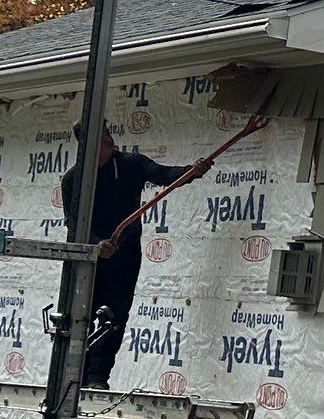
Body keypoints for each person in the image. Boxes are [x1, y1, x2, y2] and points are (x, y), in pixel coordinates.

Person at [58, 125, 211, 388]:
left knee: (113, 316)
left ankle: (97, 376)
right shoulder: (72, 180)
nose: (108, 140)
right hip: (88, 257)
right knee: (80, 313)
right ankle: (74, 374)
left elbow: (165, 175)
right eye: (101, 138)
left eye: (108, 135)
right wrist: (97, 245)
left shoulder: (131, 164)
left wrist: (191, 172)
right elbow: (73, 226)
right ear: (86, 147)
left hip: (124, 256)